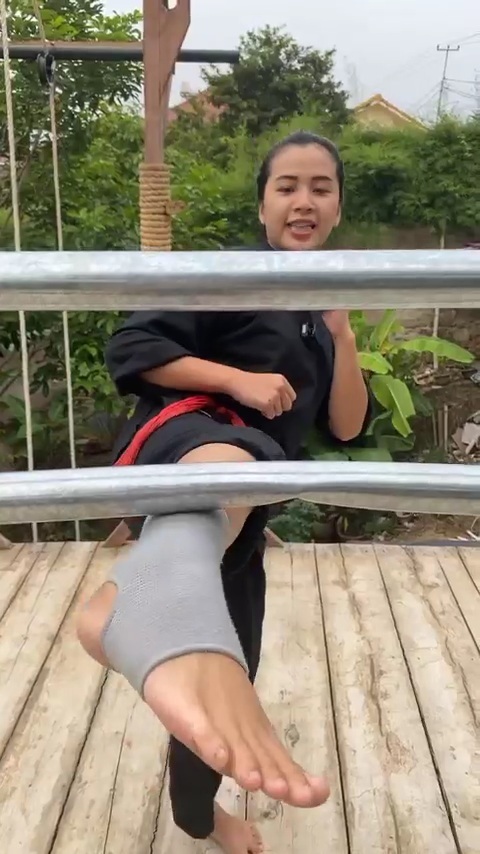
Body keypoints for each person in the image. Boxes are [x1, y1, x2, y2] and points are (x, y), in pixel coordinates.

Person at [76, 130, 371, 854]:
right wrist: (237, 380)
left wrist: (342, 332)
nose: (304, 200)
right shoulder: (231, 273)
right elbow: (134, 349)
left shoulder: (319, 314)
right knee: (230, 462)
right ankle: (131, 597)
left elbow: (346, 424)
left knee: (219, 667)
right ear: (262, 205)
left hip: (243, 510)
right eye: (287, 186)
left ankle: (197, 819)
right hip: (188, 445)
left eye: (321, 188)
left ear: (338, 206)